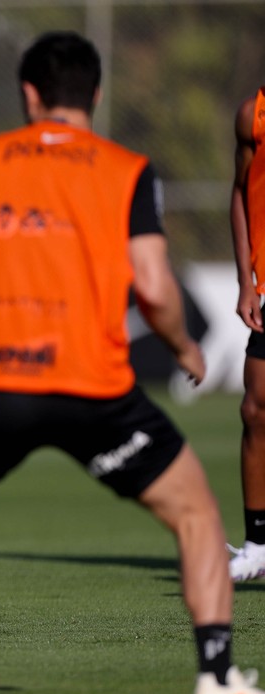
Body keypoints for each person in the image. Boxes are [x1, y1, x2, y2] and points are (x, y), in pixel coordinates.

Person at [0, 31, 265, 694]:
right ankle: (218, 680)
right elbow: (153, 282)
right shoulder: (126, 168)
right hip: (96, 393)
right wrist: (180, 345)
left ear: (28, 94)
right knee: (197, 513)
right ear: (97, 94)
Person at [227, 85, 265, 583]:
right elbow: (240, 190)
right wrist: (246, 280)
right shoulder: (253, 115)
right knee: (255, 408)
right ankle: (258, 545)